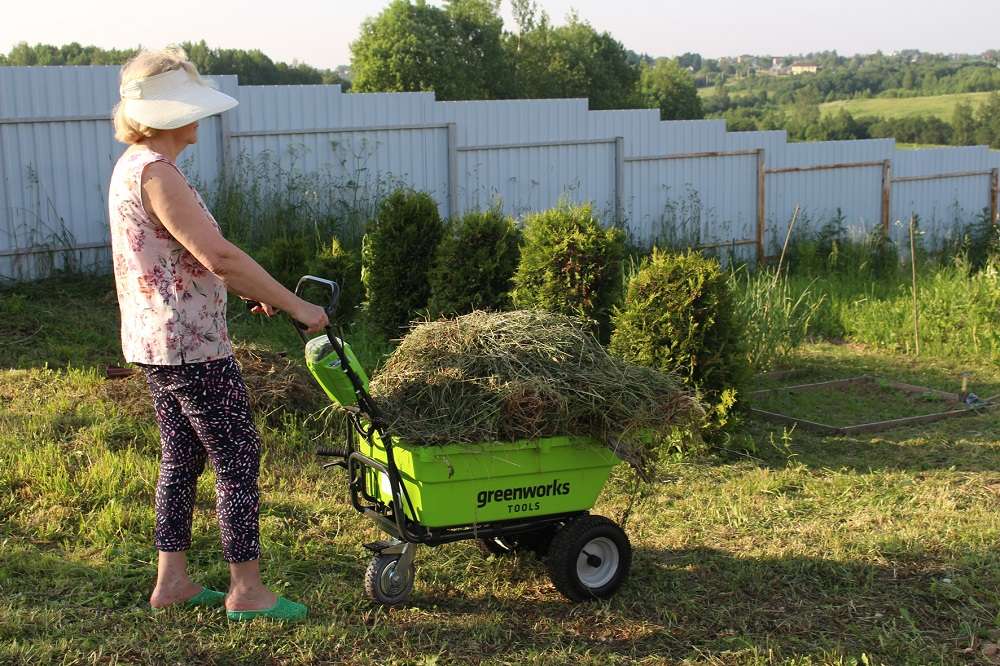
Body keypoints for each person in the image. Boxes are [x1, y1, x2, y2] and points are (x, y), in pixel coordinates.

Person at [108, 47, 328, 621]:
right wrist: (297, 305)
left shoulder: (133, 166)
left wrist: (250, 289)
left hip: (159, 341)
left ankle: (173, 581)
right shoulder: (158, 172)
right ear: (172, 112)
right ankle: (247, 591)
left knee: (181, 456)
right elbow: (220, 255)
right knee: (237, 453)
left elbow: (189, 261)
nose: (199, 115)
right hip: (191, 346)